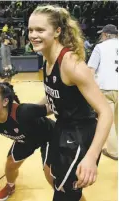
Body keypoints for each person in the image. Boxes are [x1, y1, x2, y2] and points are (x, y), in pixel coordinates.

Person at [28, 5, 113, 201]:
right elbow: (57, 100)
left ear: (57, 31)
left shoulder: (71, 64)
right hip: (63, 128)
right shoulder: (46, 58)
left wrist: (91, 157)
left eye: (40, 30)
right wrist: (29, 110)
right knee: (58, 182)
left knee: (64, 195)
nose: (33, 35)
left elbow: (105, 112)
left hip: (81, 135)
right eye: (31, 30)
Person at [0, 82, 55, 201]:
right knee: (10, 165)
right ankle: (10, 186)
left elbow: (53, 107)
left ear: (5, 102)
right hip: (25, 140)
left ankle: (65, 195)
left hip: (48, 136)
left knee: (51, 175)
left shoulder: (22, 112)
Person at [88, 24, 118, 160]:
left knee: (109, 121)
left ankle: (114, 151)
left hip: (106, 88)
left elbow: (90, 70)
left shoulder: (100, 47)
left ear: (105, 34)